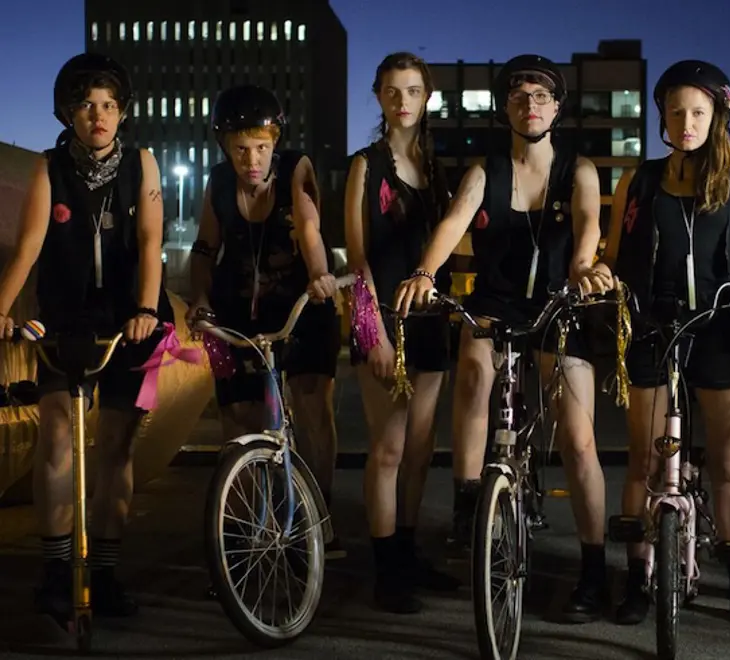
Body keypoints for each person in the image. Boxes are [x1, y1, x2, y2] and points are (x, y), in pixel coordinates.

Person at [395, 54, 615, 622]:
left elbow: (588, 226)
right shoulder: (484, 171)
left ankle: (594, 571)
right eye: (519, 97)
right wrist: (424, 273)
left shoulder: (578, 170)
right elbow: (454, 221)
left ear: (557, 108)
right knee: (473, 369)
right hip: (495, 303)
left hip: (560, 304)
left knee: (579, 440)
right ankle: (469, 502)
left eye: (541, 97)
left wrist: (584, 267)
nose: (530, 105)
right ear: (505, 109)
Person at [603, 60, 730, 630]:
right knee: (646, 460)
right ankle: (637, 575)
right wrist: (600, 275)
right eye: (676, 112)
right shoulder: (638, 182)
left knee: (727, 462)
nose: (686, 123)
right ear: (662, 116)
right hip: (653, 328)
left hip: (724, 331)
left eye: (698, 112)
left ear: (717, 116)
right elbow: (613, 255)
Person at [0, 53, 173, 621]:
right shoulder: (50, 167)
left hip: (129, 319)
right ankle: (56, 571)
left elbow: (150, 242)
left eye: (108, 105)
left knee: (117, 446)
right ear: (68, 114)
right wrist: (0, 308)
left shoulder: (142, 163)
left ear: (122, 113)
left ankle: (105, 572)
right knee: (55, 437)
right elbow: (29, 246)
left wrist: (145, 307)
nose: (98, 116)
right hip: (67, 318)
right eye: (86, 106)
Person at [186, 85, 344, 557]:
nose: (251, 160)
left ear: (275, 141)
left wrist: (320, 274)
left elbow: (309, 227)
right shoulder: (218, 182)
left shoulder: (297, 169)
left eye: (260, 147)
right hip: (237, 307)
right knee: (238, 416)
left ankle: (319, 522)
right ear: (224, 146)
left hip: (302, 304)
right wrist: (199, 297)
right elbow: (204, 248)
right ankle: (239, 532)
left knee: (312, 406)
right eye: (240, 148)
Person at [344, 52, 460, 614]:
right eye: (392, 91)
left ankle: (409, 554)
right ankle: (387, 570)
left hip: (432, 323)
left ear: (427, 97)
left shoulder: (437, 169)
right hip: (384, 322)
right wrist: (374, 335)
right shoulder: (365, 166)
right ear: (379, 97)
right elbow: (358, 260)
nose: (403, 101)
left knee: (419, 450)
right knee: (388, 448)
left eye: (413, 91)